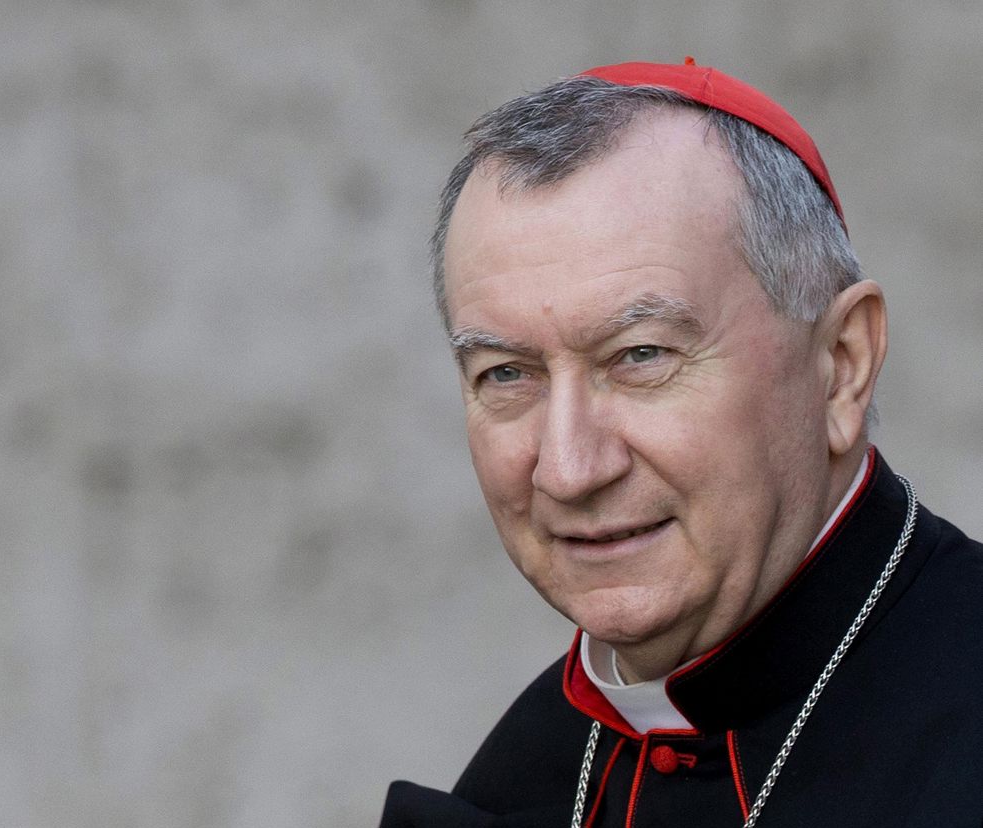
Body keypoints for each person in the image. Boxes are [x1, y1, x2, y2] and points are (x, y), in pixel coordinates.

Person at [380, 59, 983, 827]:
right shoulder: (515, 780)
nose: (569, 469)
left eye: (641, 356)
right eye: (508, 374)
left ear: (841, 367)